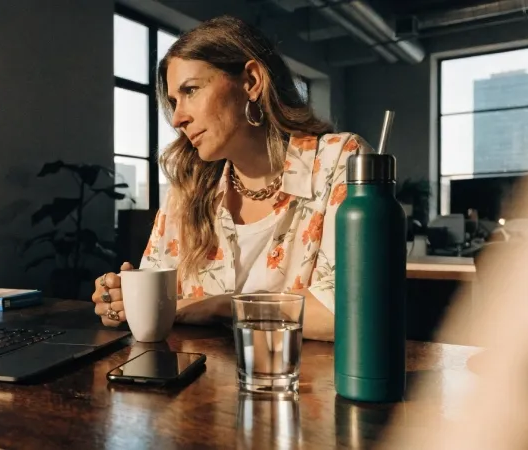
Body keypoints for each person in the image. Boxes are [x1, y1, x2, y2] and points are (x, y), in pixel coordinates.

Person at [92, 16, 373, 341]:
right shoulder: (190, 186)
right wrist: (123, 300)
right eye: (173, 101)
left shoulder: (340, 161)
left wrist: (220, 306)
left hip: (306, 385)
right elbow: (161, 298)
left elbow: (353, 313)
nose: (179, 118)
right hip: (198, 385)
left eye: (191, 91)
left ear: (251, 82)